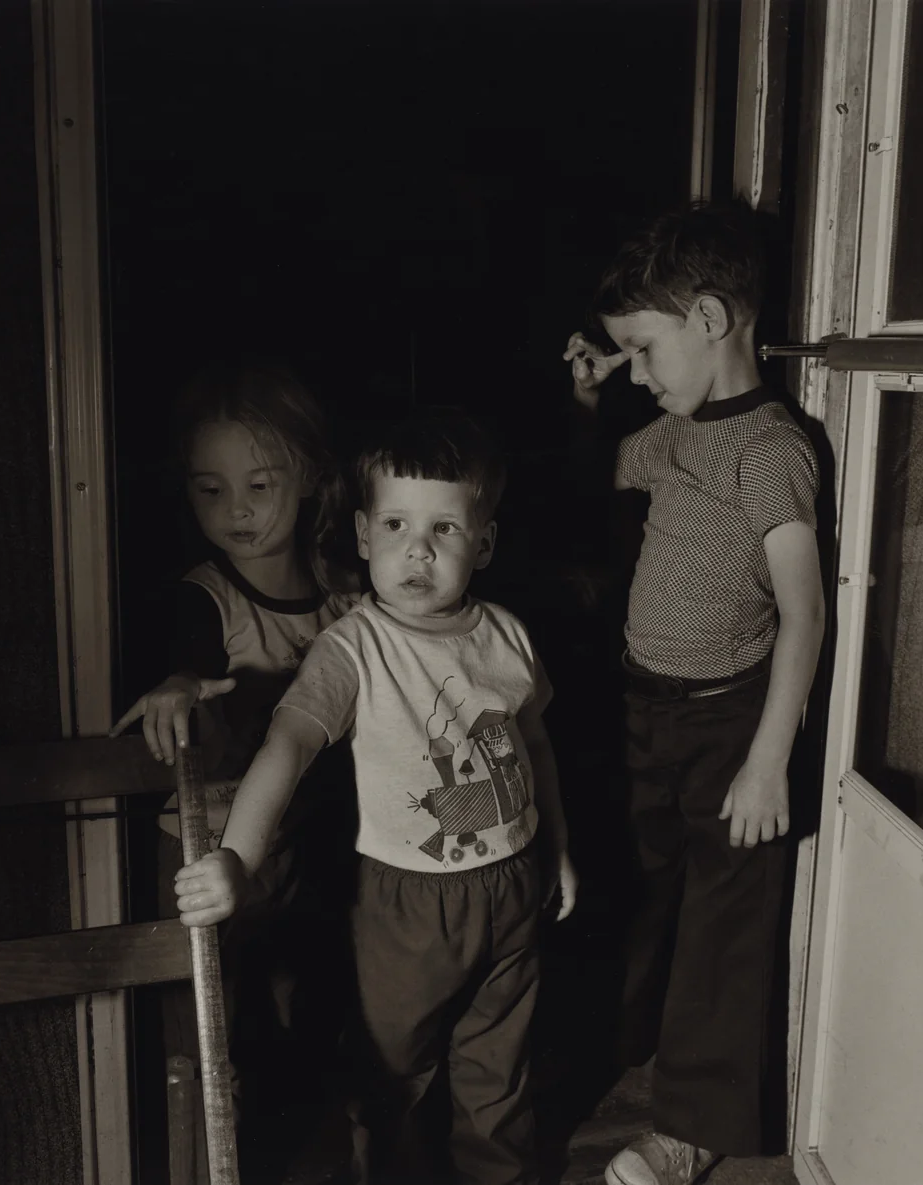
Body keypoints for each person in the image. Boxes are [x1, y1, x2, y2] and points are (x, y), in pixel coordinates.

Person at [174, 410, 579, 1185]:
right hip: (408, 903)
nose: (417, 547)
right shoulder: (353, 648)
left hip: (513, 885)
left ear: (484, 543)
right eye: (395, 523)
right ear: (363, 535)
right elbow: (284, 748)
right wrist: (236, 853)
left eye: (445, 528)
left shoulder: (507, 635)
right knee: (393, 1076)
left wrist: (557, 846)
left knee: (501, 1069)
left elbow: (535, 749)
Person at [562, 201, 825, 1185]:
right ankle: (644, 1068)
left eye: (643, 349)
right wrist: (590, 407)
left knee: (724, 922)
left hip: (727, 721)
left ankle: (694, 1129)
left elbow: (803, 613)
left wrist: (766, 763)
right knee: (647, 893)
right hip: (646, 710)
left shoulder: (771, 452)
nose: (638, 371)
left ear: (711, 320)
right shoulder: (678, 435)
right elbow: (599, 489)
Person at [109, 360, 360, 1139]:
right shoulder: (204, 593)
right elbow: (188, 663)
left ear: (313, 475)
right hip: (208, 848)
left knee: (313, 1010)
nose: (235, 510)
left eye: (258, 484)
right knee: (216, 1032)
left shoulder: (341, 587)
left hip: (307, 844)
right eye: (208, 489)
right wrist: (179, 684)